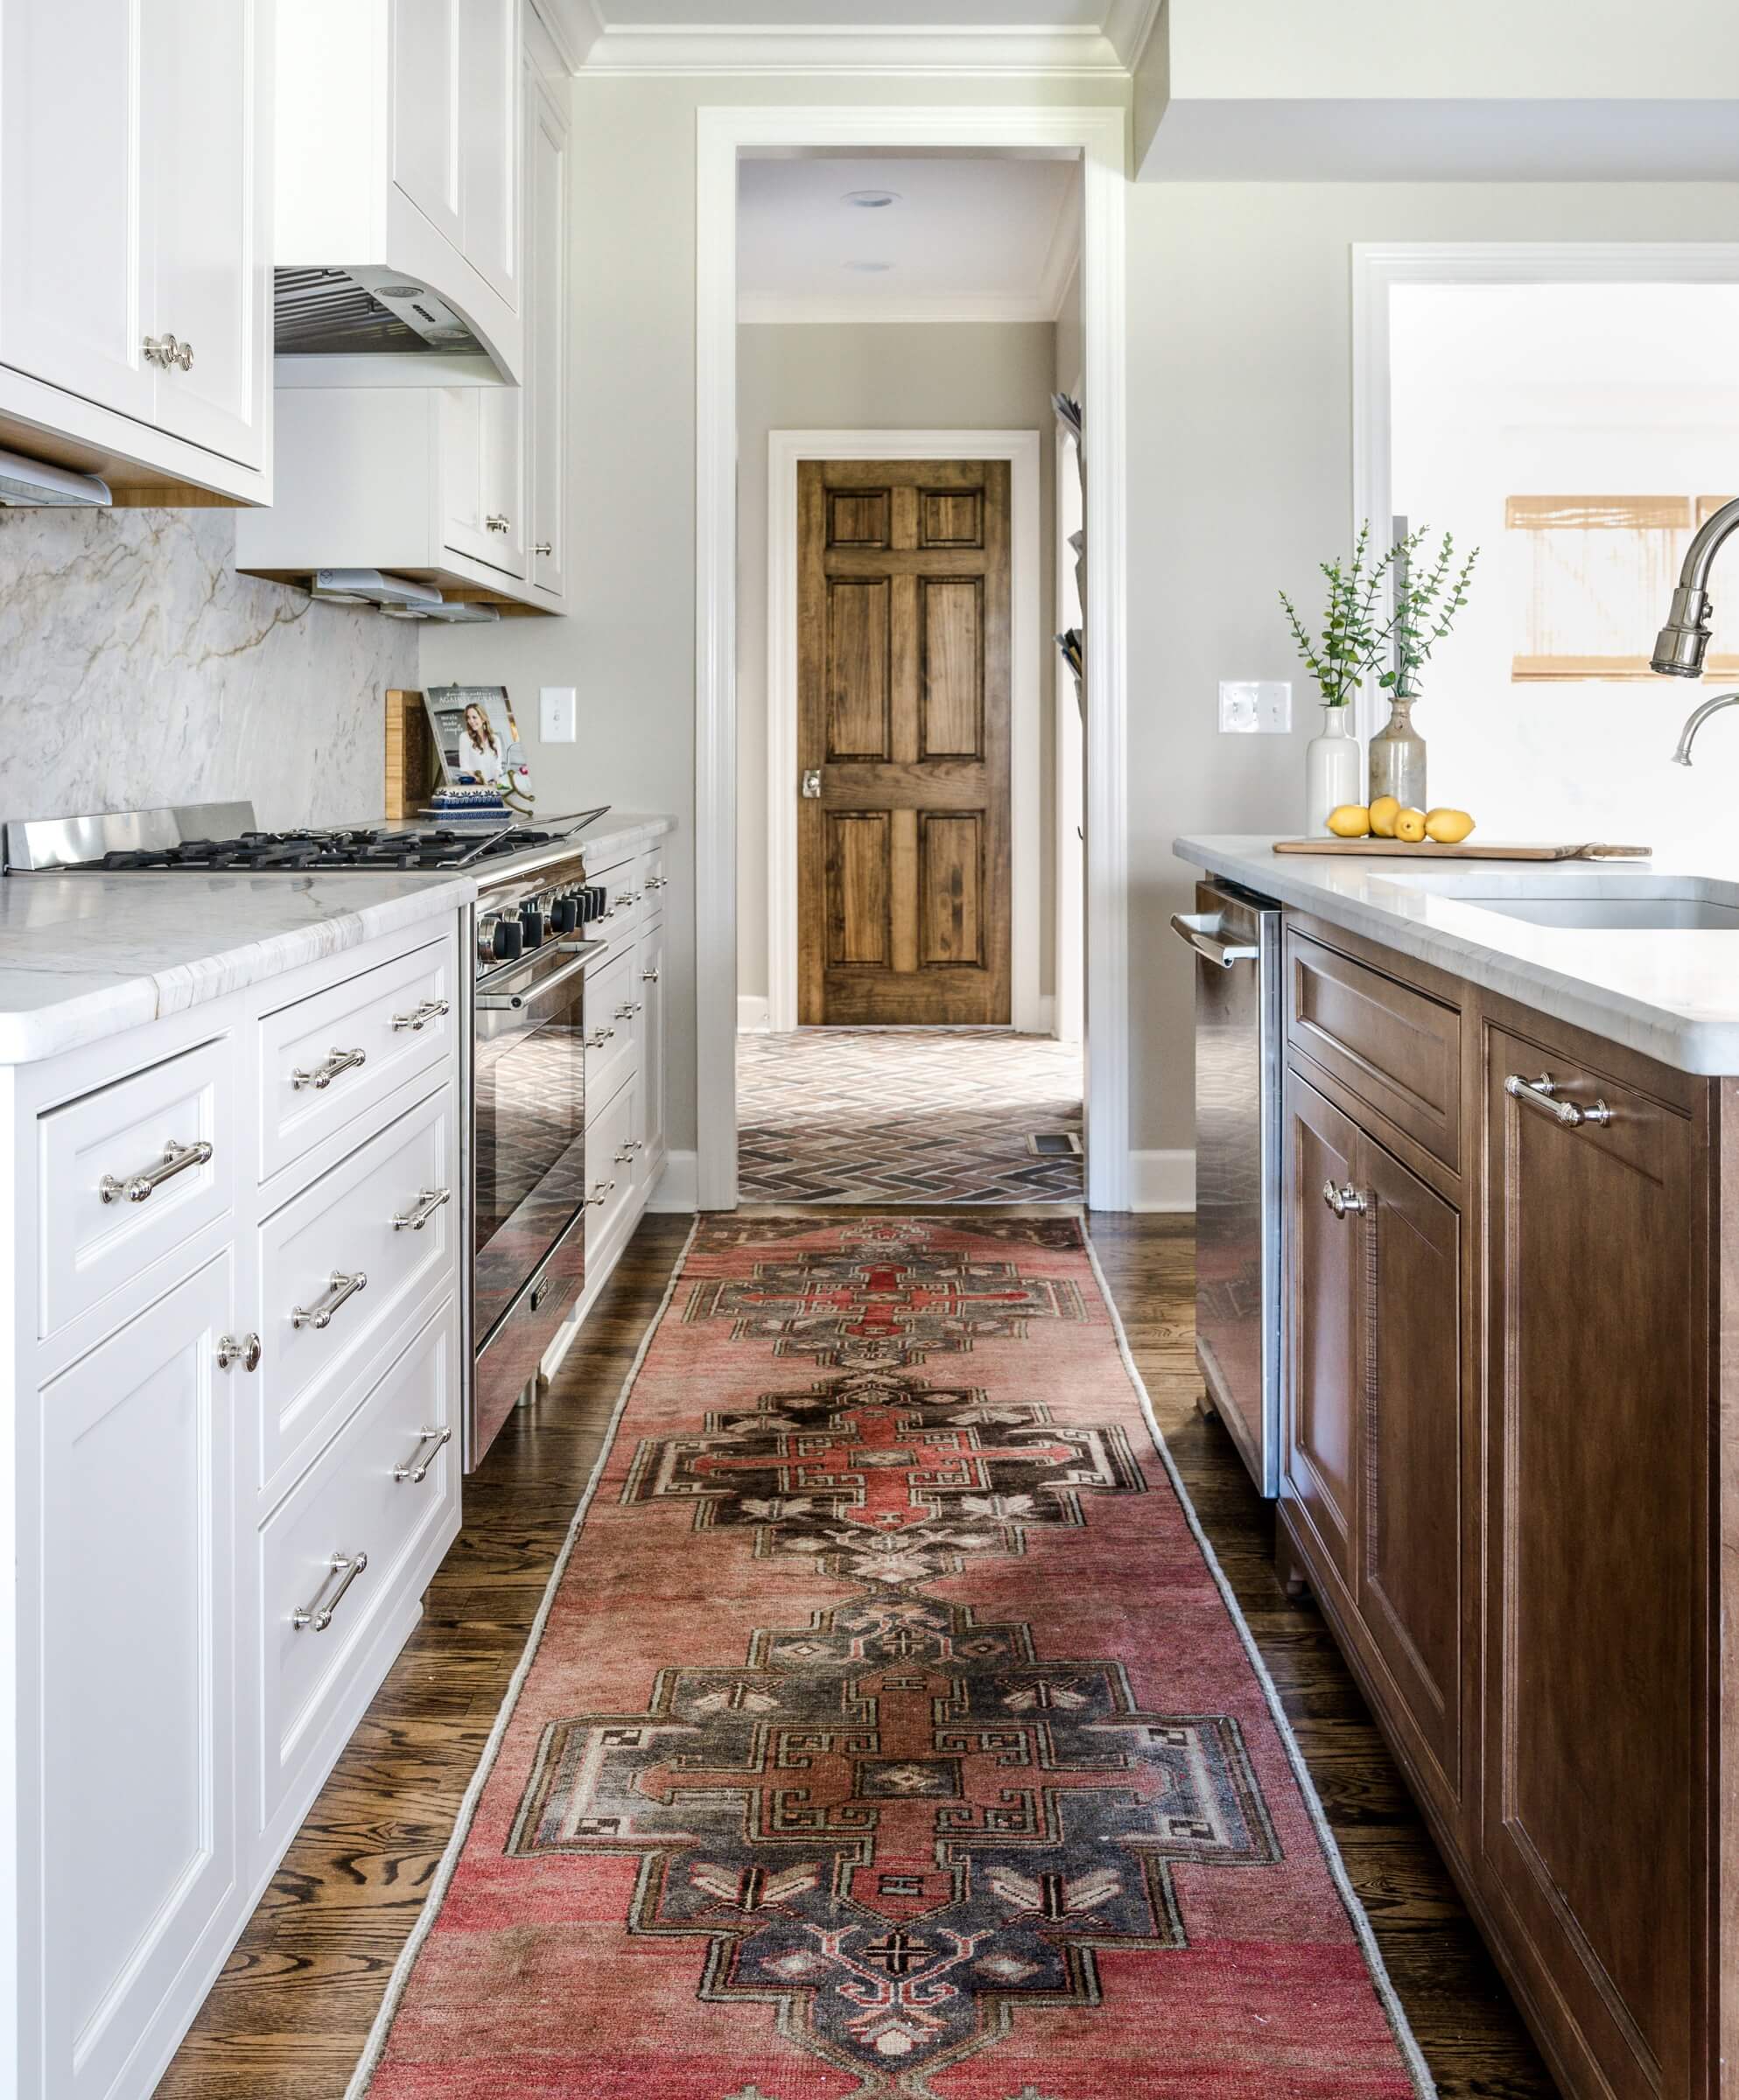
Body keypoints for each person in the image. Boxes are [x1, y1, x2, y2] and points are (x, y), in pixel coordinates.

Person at [457, 701, 504, 784]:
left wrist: (496, 781)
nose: (470, 721)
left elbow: (498, 765)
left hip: (492, 785)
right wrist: (481, 781)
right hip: (475, 784)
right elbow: (465, 766)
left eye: (474, 717)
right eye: (468, 718)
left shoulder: (495, 739)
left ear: (483, 719)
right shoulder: (465, 737)